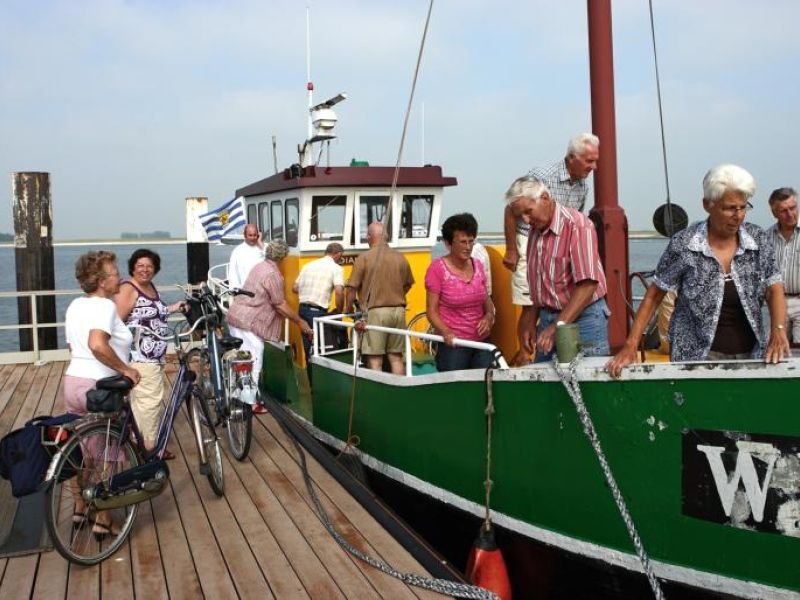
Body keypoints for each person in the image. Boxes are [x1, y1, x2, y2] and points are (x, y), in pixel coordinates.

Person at [607, 165, 789, 378]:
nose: (738, 215)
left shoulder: (758, 240)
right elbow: (654, 295)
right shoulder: (685, 243)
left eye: (743, 207)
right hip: (695, 359)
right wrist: (631, 344)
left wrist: (778, 330)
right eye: (730, 208)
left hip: (750, 355)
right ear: (707, 205)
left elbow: (774, 287)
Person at [502, 133, 600, 365]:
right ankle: (525, 352)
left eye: (595, 161)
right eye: (589, 161)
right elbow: (513, 208)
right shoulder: (542, 176)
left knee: (571, 285)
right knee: (530, 296)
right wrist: (511, 249)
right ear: (572, 157)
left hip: (563, 241)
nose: (594, 167)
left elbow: (577, 219)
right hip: (532, 238)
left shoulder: (582, 190)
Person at [64, 251, 140, 538]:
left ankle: (80, 507)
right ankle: (104, 518)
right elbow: (97, 344)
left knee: (80, 448)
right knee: (110, 452)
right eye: (113, 273)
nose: (119, 276)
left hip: (73, 382)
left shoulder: (75, 305)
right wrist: (125, 370)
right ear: (100, 281)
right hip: (100, 387)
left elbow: (75, 347)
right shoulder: (105, 307)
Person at [227, 239, 313, 412]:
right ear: (282, 257)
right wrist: (300, 321)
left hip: (236, 315)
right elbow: (279, 303)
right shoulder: (273, 275)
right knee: (255, 358)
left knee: (241, 359)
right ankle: (251, 403)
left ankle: (237, 395)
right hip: (249, 321)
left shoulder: (258, 267)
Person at [114, 248, 183, 457]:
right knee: (150, 402)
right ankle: (149, 449)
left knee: (141, 401)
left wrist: (175, 307)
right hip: (140, 357)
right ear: (133, 267)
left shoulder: (150, 287)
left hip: (154, 356)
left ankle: (138, 442)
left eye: (150, 266)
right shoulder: (128, 288)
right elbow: (116, 322)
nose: (145, 270)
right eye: (140, 266)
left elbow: (154, 313)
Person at [425, 213, 496, 371]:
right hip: (454, 345)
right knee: (455, 391)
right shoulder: (437, 269)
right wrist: (445, 331)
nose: (468, 247)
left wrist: (489, 317)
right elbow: (431, 311)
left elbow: (487, 302)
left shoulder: (477, 265)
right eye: (463, 242)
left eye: (471, 241)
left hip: (481, 342)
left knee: (486, 385)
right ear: (449, 244)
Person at [345, 222, 415, 374]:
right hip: (398, 312)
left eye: (367, 236)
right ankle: (399, 392)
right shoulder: (400, 257)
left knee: (375, 359)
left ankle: (377, 395)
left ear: (370, 237)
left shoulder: (364, 258)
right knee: (396, 357)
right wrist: (396, 295)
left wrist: (348, 308)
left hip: (375, 313)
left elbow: (352, 288)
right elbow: (409, 284)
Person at [292, 242, 345, 384]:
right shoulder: (336, 268)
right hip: (318, 313)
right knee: (322, 350)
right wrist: (340, 311)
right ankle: (323, 384)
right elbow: (339, 292)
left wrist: (310, 290)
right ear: (338, 254)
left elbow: (295, 288)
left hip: (303, 311)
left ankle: (312, 385)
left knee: (309, 349)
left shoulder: (308, 266)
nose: (341, 260)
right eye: (341, 257)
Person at [768, 187, 800, 344]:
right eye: (783, 211)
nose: (790, 214)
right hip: (776, 303)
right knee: (776, 348)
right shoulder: (767, 237)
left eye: (793, 208)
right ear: (775, 213)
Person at [228, 224, 264, 290]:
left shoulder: (262, 248)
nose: (253, 238)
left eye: (255, 235)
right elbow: (233, 274)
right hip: (246, 292)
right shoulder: (237, 251)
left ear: (258, 235)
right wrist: (236, 291)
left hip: (262, 292)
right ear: (245, 235)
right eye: (250, 235)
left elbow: (272, 260)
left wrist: (260, 243)